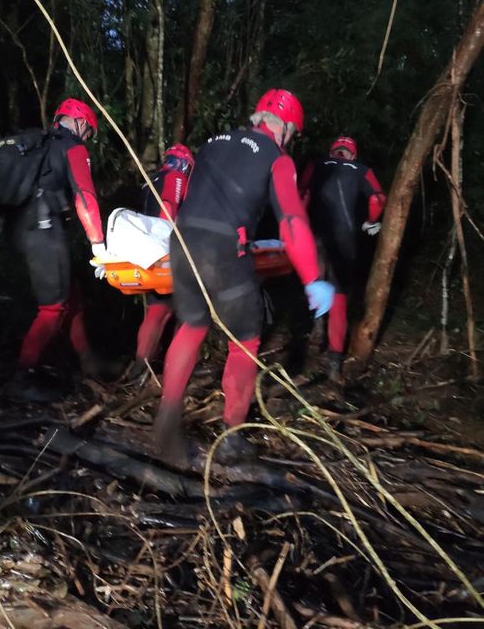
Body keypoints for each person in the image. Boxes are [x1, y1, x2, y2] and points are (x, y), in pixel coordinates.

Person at [153, 89, 334, 461]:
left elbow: (186, 192)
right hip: (223, 251)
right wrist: (313, 276)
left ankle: (166, 424)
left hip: (182, 243)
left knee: (191, 326)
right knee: (245, 340)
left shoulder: (212, 143)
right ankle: (231, 437)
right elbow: (292, 220)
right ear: (284, 128)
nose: (291, 141)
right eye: (292, 135)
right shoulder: (278, 158)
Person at [10, 98, 106, 385]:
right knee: (53, 308)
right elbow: (84, 197)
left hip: (24, 230)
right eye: (89, 131)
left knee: (71, 295)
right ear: (79, 121)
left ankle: (88, 360)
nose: (88, 138)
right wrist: (98, 245)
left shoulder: (39, 146)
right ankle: (23, 374)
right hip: (45, 231)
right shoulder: (73, 148)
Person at [299, 135, 386, 379]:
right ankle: (335, 365)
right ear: (353, 155)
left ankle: (316, 328)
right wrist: (370, 222)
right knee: (339, 300)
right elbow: (378, 198)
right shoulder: (361, 170)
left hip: (314, 239)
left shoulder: (316, 164)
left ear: (332, 151)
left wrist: (300, 226)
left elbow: (301, 193)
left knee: (314, 283)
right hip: (344, 242)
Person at [135, 143, 195, 369]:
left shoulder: (150, 182)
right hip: (164, 253)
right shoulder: (175, 177)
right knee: (182, 311)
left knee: (156, 310)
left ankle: (141, 364)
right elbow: (168, 209)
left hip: (147, 253)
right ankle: (170, 368)